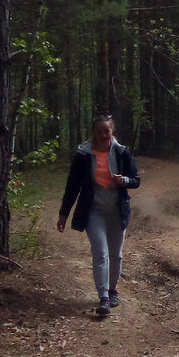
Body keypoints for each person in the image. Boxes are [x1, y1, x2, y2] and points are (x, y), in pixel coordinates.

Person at [57, 114, 141, 316]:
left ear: (112, 131)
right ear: (93, 133)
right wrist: (63, 214)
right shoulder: (83, 155)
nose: (104, 135)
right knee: (100, 253)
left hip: (117, 210)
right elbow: (72, 186)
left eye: (107, 131)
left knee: (116, 255)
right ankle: (103, 297)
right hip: (94, 211)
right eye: (100, 131)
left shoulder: (122, 153)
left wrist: (125, 181)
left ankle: (113, 291)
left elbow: (136, 180)